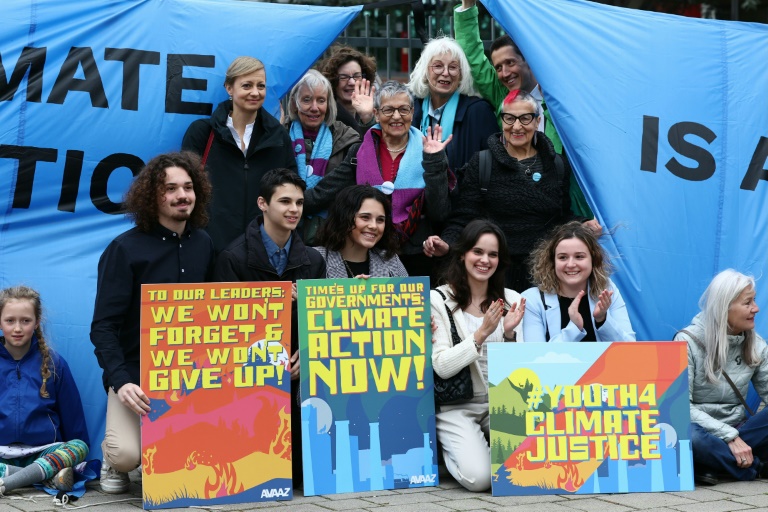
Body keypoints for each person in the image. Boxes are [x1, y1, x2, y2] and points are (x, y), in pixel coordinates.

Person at [90, 152, 215, 494]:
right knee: (127, 455)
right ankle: (112, 458)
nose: (182, 195)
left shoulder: (204, 243)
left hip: (191, 375)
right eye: (170, 188)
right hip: (136, 376)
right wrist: (121, 382)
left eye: (188, 187)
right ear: (151, 196)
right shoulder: (124, 249)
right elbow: (103, 327)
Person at [213, 168, 326, 488]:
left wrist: (307, 354)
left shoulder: (313, 260)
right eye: (285, 201)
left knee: (302, 474)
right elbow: (225, 329)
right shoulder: (233, 258)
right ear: (263, 204)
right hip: (248, 374)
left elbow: (319, 324)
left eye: (300, 203)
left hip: (300, 370)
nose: (294, 209)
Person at [425, 90, 598, 291]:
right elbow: (464, 217)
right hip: (496, 272)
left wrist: (583, 224)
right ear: (501, 121)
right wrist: (447, 243)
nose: (516, 126)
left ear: (537, 121)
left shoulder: (557, 165)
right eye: (509, 118)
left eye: (525, 118)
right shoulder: (482, 163)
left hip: (544, 273)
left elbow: (560, 217)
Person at [453, 0, 594, 219]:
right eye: (498, 67)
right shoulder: (502, 95)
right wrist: (468, 6)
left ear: (528, 59)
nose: (504, 73)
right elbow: (473, 56)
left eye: (510, 63)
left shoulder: (560, 97)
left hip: (563, 202)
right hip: (516, 202)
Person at [304, 80, 454, 279]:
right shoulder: (360, 151)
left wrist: (433, 161)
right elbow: (325, 191)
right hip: (370, 252)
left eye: (403, 109)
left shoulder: (430, 150)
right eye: (388, 110)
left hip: (417, 254)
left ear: (412, 113)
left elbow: (439, 212)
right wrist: (288, 205)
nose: (397, 116)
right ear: (376, 114)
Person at [431, 219, 525, 491]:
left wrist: (509, 335)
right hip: (457, 405)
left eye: (493, 254)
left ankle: (481, 448)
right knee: (480, 479)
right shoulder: (439, 299)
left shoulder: (512, 299)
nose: (485, 260)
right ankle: (450, 452)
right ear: (462, 254)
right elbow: (442, 366)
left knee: (525, 468)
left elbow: (521, 370)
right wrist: (481, 334)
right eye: (478, 252)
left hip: (501, 403)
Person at [181, 56, 296, 252]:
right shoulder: (202, 133)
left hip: (263, 253)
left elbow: (291, 193)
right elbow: (184, 190)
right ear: (229, 88)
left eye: (261, 86)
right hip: (210, 251)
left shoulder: (279, 137)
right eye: (247, 85)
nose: (255, 92)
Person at [674, 269, 768, 485]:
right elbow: (681, 408)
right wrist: (729, 436)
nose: (756, 308)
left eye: (754, 300)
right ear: (724, 307)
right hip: (702, 430)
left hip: (741, 429)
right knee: (691, 438)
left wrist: (735, 435)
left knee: (702, 448)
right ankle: (755, 468)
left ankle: (712, 463)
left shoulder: (757, 345)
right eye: (748, 303)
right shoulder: (686, 342)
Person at [0, 286, 89, 495]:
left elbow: (73, 416)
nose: (17, 328)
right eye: (10, 320)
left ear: (37, 322)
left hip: (44, 452)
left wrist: (78, 458)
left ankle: (13, 480)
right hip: (2, 452)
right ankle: (42, 477)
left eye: (26, 320)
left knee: (79, 447)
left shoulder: (54, 364)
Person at [522, 221, 634, 342]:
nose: (570, 264)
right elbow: (536, 353)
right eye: (562, 257)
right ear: (552, 262)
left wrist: (603, 319)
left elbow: (629, 347)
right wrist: (574, 328)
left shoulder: (607, 290)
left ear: (593, 259)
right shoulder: (532, 299)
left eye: (579, 256)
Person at [285, 69, 360, 244]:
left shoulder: (346, 138)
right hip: (286, 238)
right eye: (306, 100)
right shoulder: (280, 135)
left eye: (321, 100)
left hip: (333, 238)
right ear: (295, 103)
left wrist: (366, 118)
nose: (314, 108)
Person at [408, 35, 497, 173]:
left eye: (453, 67)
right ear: (425, 71)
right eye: (438, 66)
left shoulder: (479, 111)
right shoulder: (411, 108)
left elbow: (494, 165)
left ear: (461, 75)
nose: (445, 73)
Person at [314, 185, 407, 278]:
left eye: (380, 220)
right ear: (343, 217)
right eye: (365, 217)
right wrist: (350, 287)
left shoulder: (391, 261)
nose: (374, 226)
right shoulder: (315, 258)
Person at [319, 45, 378, 137]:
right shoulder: (325, 116)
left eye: (357, 76)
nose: (352, 82)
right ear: (333, 80)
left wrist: (367, 118)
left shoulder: (375, 112)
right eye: (344, 77)